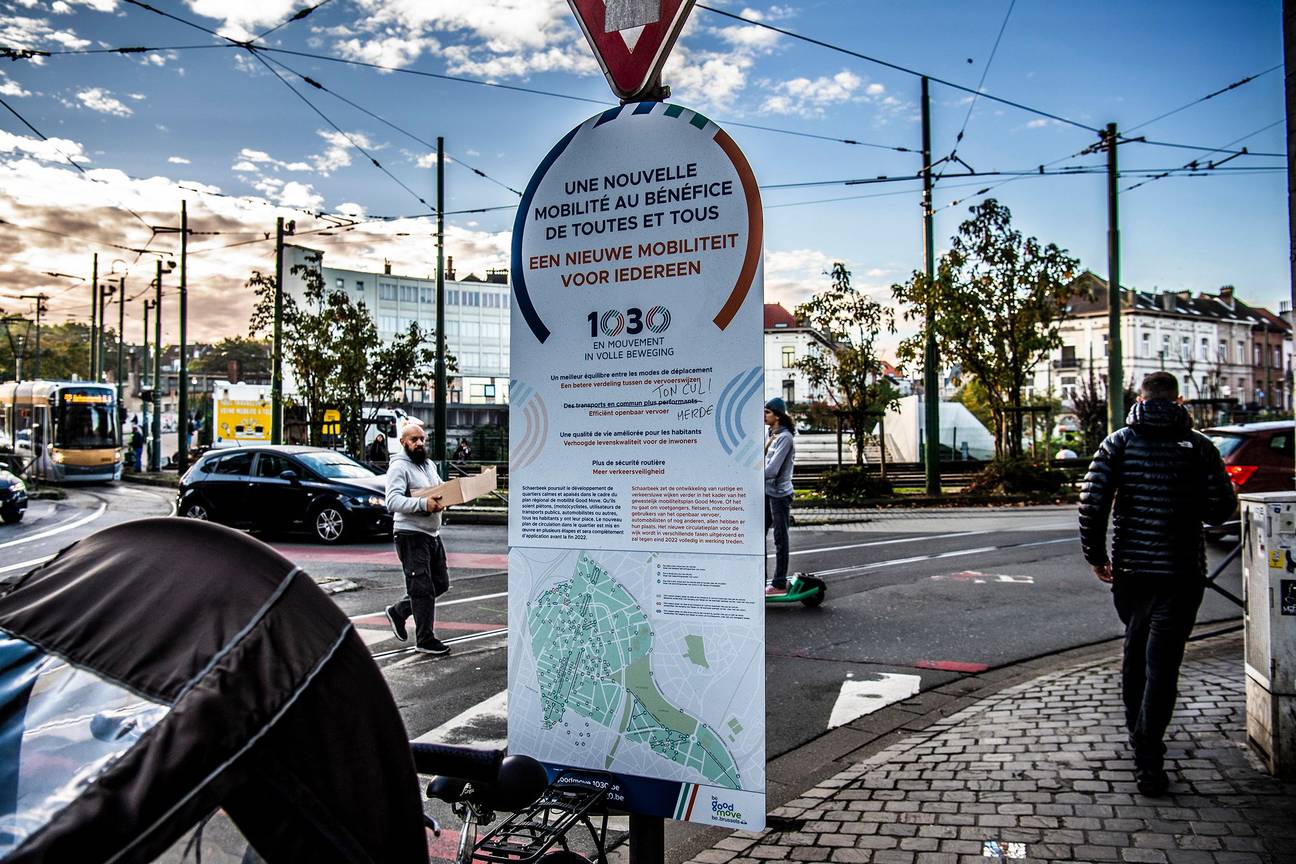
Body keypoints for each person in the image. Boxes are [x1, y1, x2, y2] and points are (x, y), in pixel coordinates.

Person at [1078, 371, 1235, 797]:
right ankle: (1149, 752)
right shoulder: (1201, 447)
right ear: (1179, 400)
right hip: (1183, 571)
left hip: (1132, 571)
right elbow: (1221, 510)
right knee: (1164, 664)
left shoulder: (1119, 442)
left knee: (1136, 652)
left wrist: (1097, 557)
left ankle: (1140, 739)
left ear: (1140, 398)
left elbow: (1092, 504)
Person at [384, 423, 451, 656]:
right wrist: (423, 504)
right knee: (421, 589)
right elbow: (392, 501)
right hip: (410, 534)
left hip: (432, 534)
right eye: (414, 439)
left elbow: (438, 489)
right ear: (403, 442)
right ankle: (425, 639)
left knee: (440, 583)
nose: (419, 443)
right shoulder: (399, 468)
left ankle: (399, 611)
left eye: (422, 439)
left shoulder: (429, 465)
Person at [763, 397, 796, 596]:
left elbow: (773, 470)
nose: (764, 415)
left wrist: (750, 476)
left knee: (780, 538)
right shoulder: (770, 434)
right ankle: (760, 578)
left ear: (778, 416)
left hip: (780, 495)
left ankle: (779, 583)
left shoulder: (785, 438)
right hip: (767, 492)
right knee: (759, 536)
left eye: (767, 412)